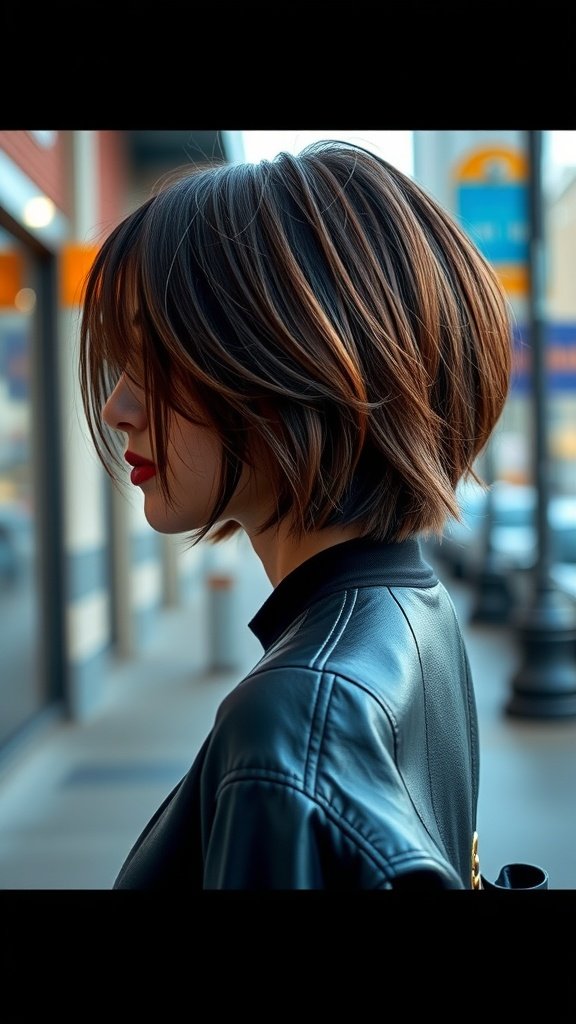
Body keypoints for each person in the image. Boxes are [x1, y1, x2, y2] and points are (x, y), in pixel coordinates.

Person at [79, 139, 511, 890]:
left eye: (158, 359)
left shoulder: (289, 728)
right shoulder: (415, 610)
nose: (119, 409)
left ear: (291, 363)